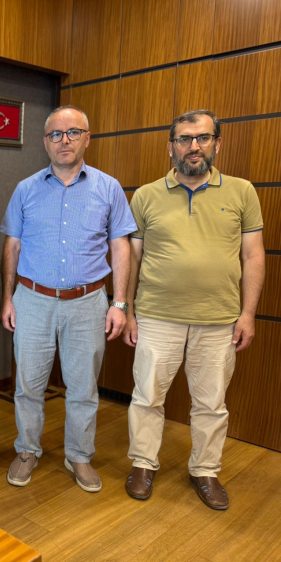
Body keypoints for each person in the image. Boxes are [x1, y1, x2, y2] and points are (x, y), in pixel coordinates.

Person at [123, 110, 265, 510]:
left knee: (211, 403)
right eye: (184, 139)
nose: (194, 146)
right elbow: (132, 258)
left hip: (218, 319)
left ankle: (205, 470)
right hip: (156, 315)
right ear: (171, 147)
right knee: (147, 397)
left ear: (217, 143)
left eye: (202, 138)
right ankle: (143, 463)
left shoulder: (242, 191)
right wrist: (128, 310)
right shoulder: (146, 195)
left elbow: (253, 256)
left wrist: (248, 314)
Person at [1, 105, 136, 492]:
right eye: (56, 134)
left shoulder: (108, 188)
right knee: (28, 385)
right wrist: (8, 298)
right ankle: (27, 449)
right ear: (45, 141)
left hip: (87, 303)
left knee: (83, 388)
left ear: (87, 138)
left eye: (73, 132)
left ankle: (79, 454)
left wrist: (120, 302)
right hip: (32, 299)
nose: (65, 140)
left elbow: (121, 246)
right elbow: (12, 245)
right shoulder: (26, 189)